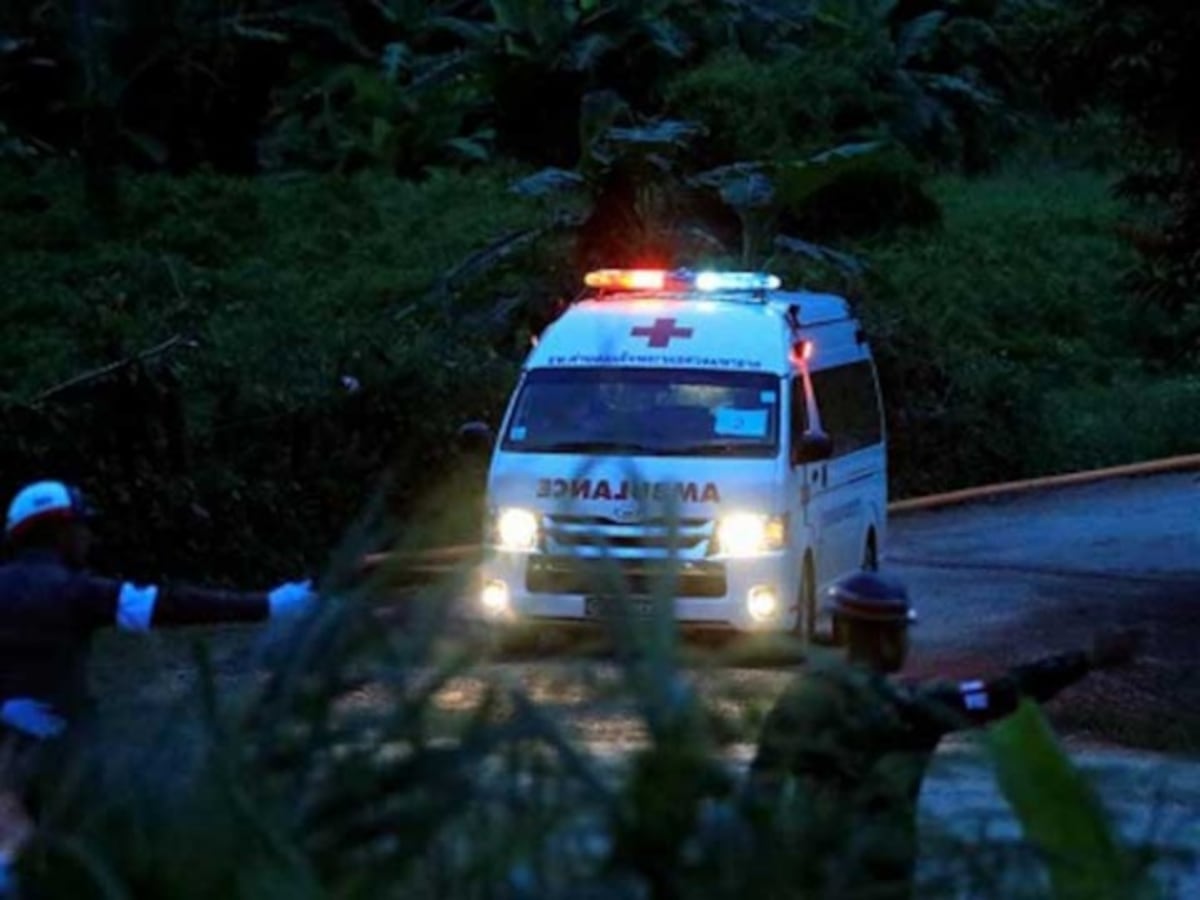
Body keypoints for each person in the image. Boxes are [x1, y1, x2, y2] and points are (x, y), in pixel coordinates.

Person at [0, 479, 317, 891]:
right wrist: (269, 605)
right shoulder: (76, 591)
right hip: (65, 755)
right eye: (83, 526)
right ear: (60, 530)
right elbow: (167, 604)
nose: (89, 537)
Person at [746, 570, 1141, 900]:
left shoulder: (800, 697)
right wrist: (1086, 660)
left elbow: (760, 784)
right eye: (901, 632)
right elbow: (1000, 693)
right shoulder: (910, 707)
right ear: (887, 637)